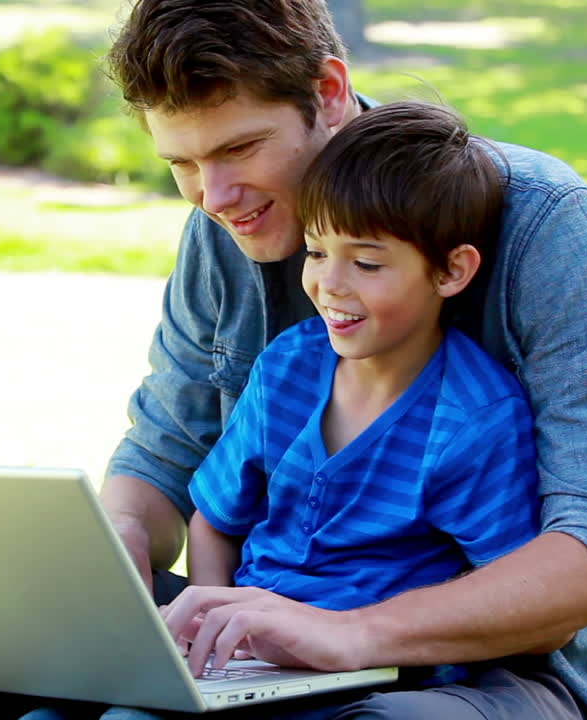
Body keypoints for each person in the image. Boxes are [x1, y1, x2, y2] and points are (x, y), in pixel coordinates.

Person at [0, 1, 587, 718]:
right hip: (265, 629)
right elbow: (164, 453)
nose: (214, 198)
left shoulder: (539, 220)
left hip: (489, 671)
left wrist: (348, 634)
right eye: (182, 164)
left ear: (328, 92)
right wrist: (114, 554)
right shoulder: (223, 226)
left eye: (238, 150)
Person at [169, 101, 542, 695]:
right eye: (316, 252)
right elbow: (215, 520)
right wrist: (210, 629)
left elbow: (510, 589)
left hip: (375, 676)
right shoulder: (288, 367)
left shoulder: (473, 419)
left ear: (450, 272)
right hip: (247, 659)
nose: (330, 285)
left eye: (366, 263)